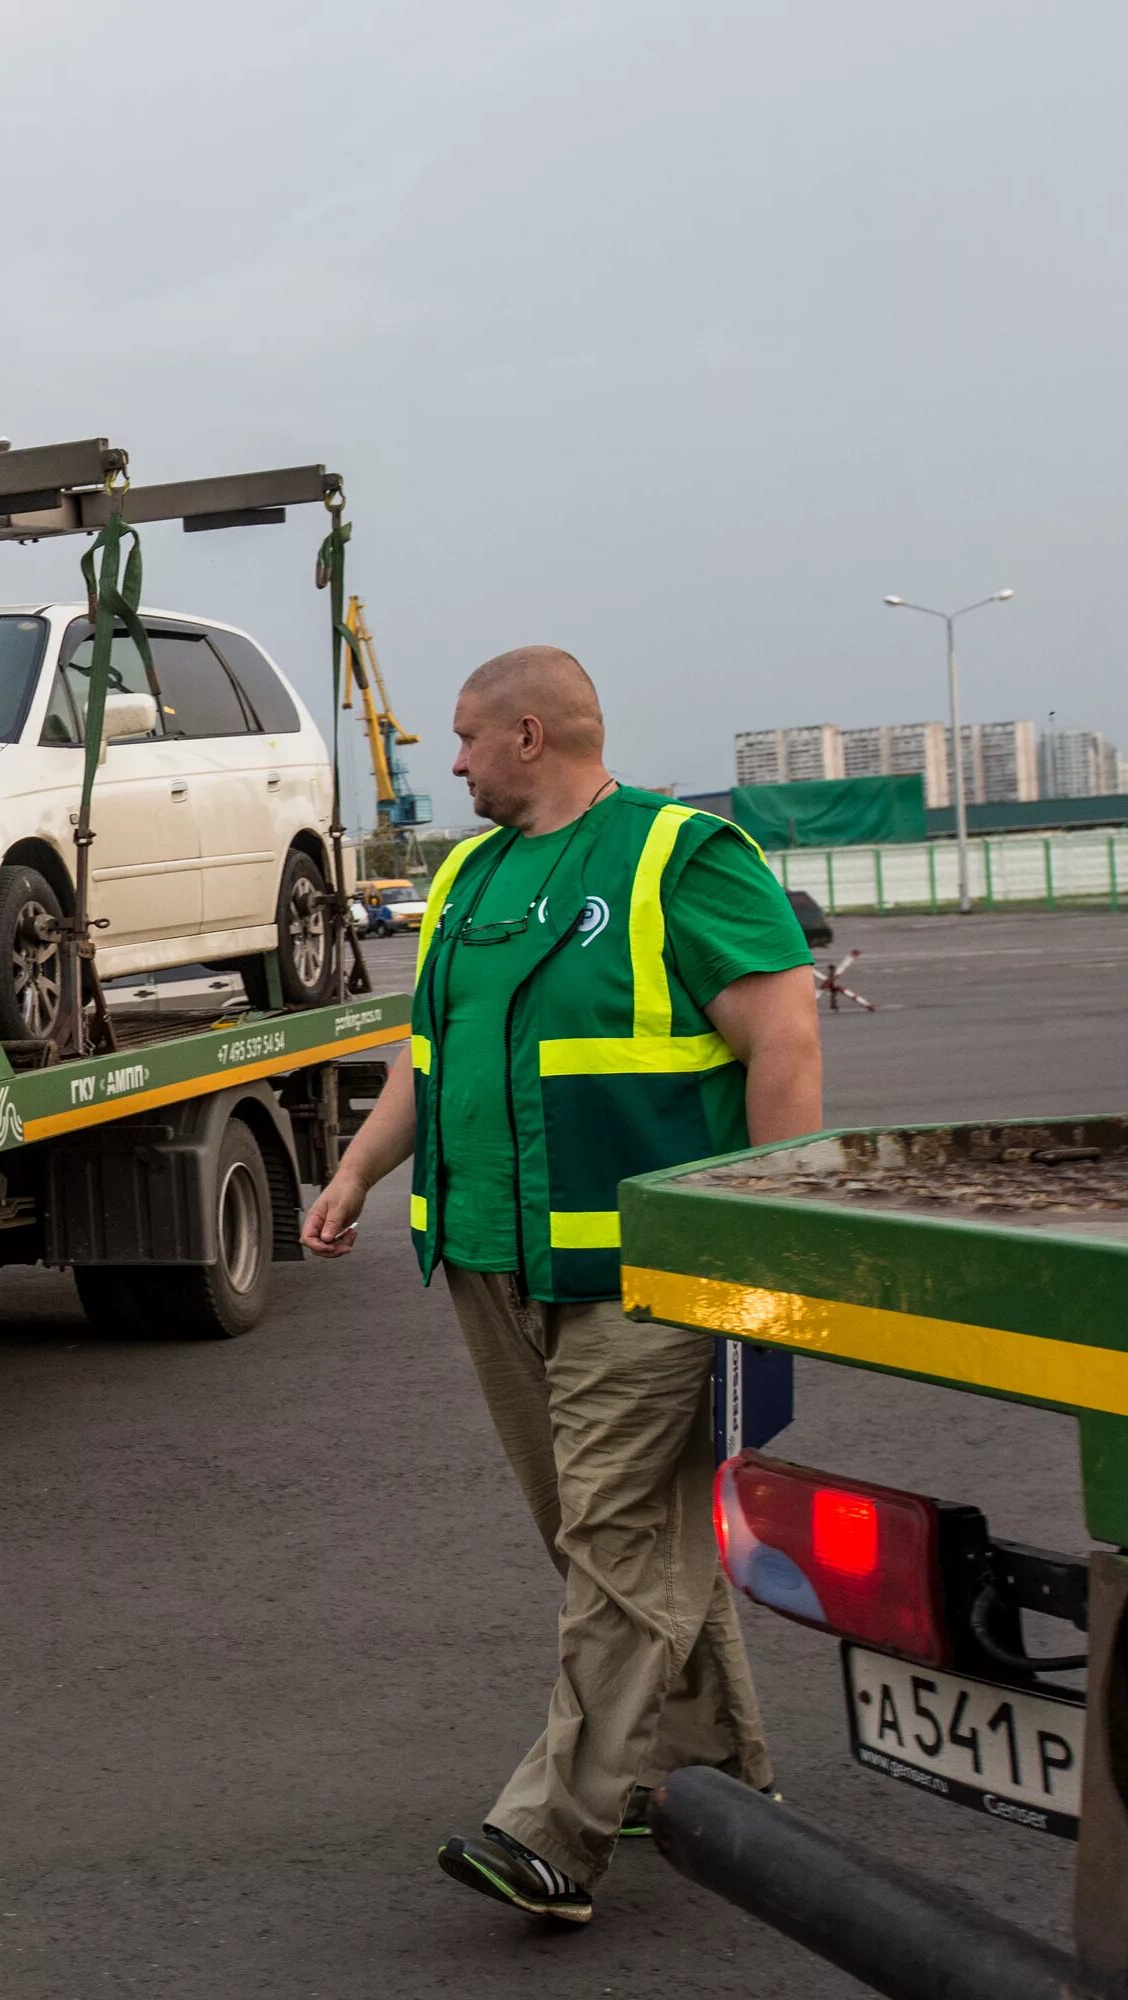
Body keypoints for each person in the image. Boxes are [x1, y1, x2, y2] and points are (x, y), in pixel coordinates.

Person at [300, 646, 824, 1926]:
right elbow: (430, 1058)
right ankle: (708, 1774)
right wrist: (358, 1171)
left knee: (616, 1543)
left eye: (468, 741)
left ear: (530, 734)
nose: (454, 764)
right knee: (605, 1542)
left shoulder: (678, 854)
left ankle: (554, 1829)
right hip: (490, 1260)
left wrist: (762, 1238)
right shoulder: (468, 877)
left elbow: (785, 1034)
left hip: (646, 1272)